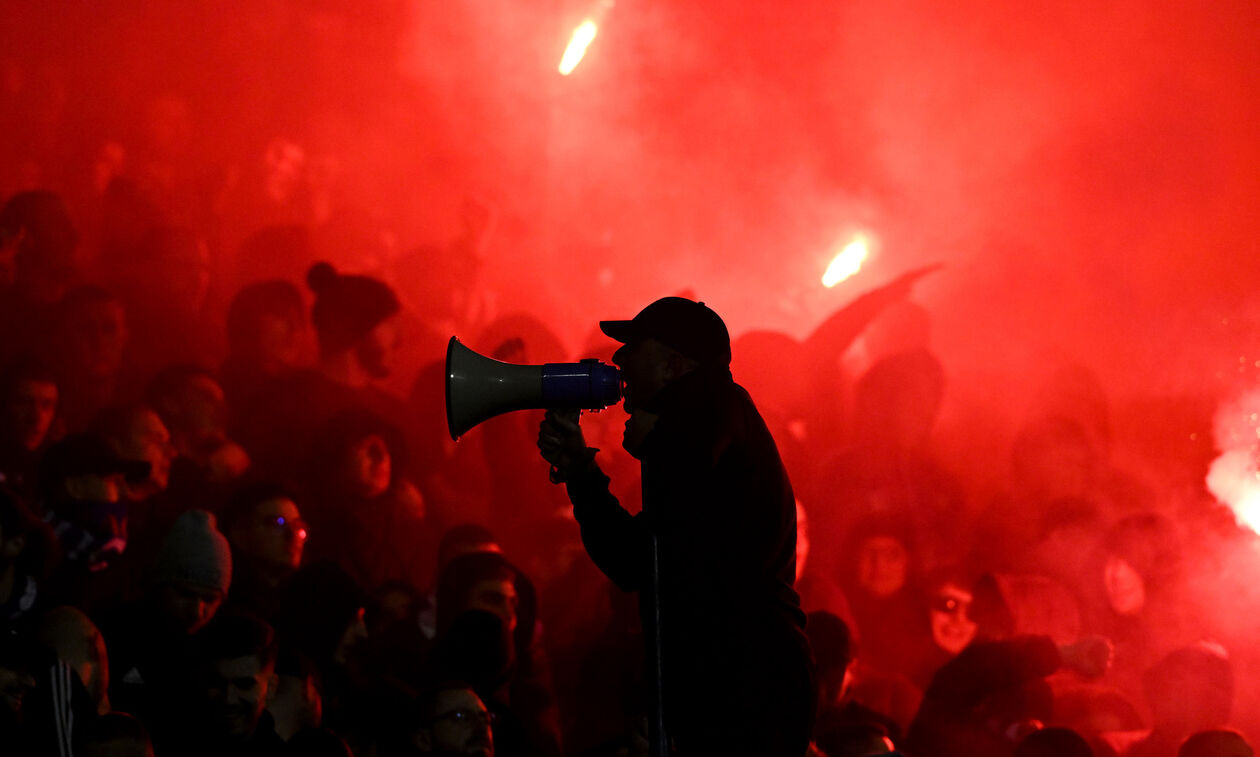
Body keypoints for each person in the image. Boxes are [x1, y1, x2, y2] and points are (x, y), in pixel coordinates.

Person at [536, 296, 814, 756]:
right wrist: (581, 471)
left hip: (749, 682)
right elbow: (641, 558)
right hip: (737, 678)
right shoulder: (711, 417)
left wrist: (653, 443)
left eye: (634, 348)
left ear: (673, 365)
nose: (620, 359)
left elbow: (638, 560)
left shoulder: (712, 406)